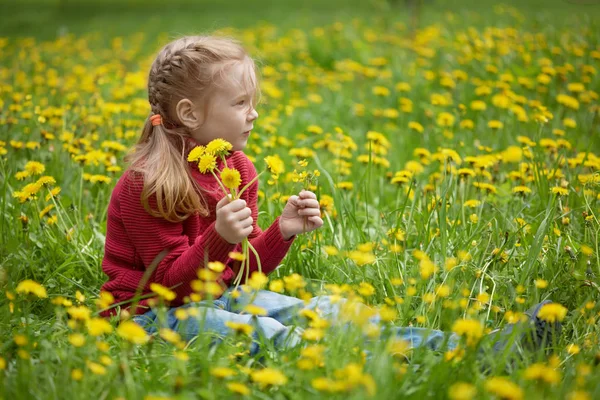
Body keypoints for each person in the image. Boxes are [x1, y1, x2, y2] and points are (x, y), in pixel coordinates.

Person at [99, 36, 560, 358]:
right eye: (240, 103)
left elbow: (243, 276)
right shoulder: (149, 183)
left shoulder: (237, 169)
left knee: (329, 311)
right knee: (260, 329)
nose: (254, 114)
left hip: (215, 301)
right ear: (189, 112)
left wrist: (280, 232)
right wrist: (218, 238)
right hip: (146, 320)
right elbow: (169, 290)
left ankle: (473, 349)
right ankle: (381, 364)